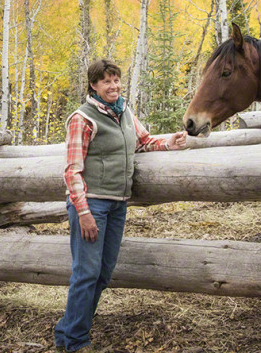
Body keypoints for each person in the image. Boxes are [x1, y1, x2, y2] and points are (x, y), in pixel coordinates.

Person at [54, 59, 187, 352]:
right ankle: (75, 342)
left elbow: (142, 141)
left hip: (117, 205)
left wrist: (169, 143)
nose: (113, 86)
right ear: (94, 85)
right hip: (92, 206)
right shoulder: (82, 118)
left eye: (116, 80)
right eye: (106, 82)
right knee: (86, 273)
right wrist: (84, 211)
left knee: (102, 273)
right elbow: (72, 170)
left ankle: (67, 331)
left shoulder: (124, 111)